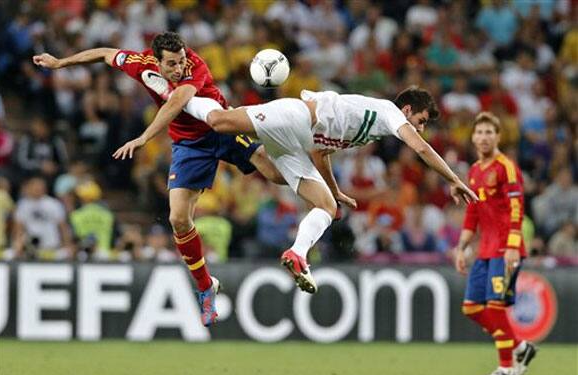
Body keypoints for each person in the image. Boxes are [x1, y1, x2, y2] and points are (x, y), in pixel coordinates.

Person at [33, 31, 284, 327]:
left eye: (181, 61)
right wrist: (61, 63)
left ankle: (316, 176)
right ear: (156, 61)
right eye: (172, 64)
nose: (179, 68)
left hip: (220, 127)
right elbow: (104, 52)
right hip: (189, 145)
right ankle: (205, 286)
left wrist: (143, 138)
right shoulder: (140, 63)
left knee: (272, 171)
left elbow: (177, 101)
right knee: (178, 219)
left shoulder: (195, 66)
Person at [181, 85, 478, 294]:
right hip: (293, 116)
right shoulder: (389, 111)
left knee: (325, 205)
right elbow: (421, 149)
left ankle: (298, 254)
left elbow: (321, 154)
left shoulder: (367, 128)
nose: (420, 129)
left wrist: (334, 190)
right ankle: (176, 92)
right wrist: (452, 178)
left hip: (297, 142)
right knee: (219, 121)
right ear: (408, 109)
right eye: (421, 121)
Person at [454, 112, 537, 375]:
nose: (484, 137)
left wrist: (513, 245)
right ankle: (520, 347)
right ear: (473, 137)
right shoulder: (475, 171)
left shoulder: (506, 167)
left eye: (489, 132)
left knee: (495, 306)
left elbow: (517, 207)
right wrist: (462, 246)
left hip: (505, 249)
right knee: (472, 307)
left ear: (498, 136)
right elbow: (473, 213)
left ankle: (507, 367)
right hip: (485, 250)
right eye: (479, 132)